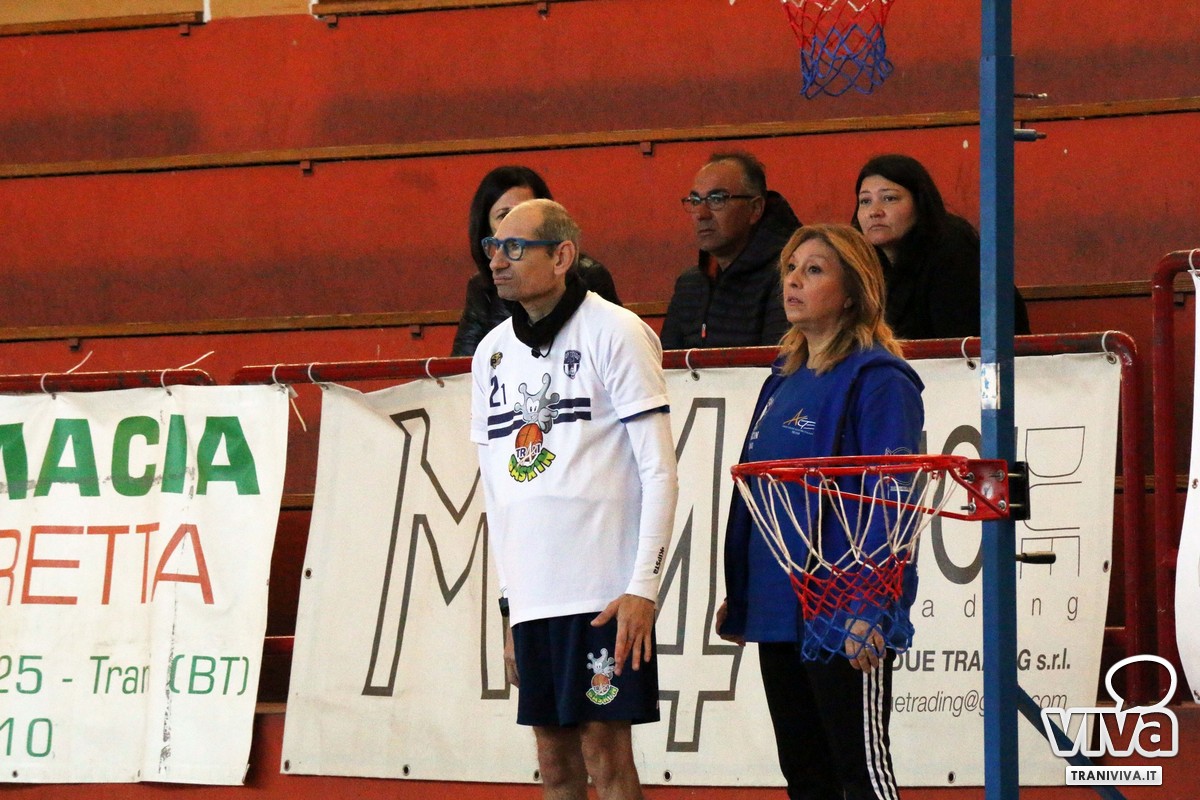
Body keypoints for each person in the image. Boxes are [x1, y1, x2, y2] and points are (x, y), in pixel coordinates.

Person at [470, 198, 678, 800]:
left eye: (515, 248)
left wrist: (643, 588)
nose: (497, 261)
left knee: (605, 756)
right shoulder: (491, 353)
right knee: (554, 764)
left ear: (562, 256)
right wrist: (509, 607)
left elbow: (660, 471)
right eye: (493, 247)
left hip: (604, 595)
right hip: (534, 597)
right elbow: (497, 493)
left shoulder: (618, 331)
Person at [717, 224, 924, 799]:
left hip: (843, 606)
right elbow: (755, 494)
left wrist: (869, 604)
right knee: (805, 777)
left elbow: (891, 498)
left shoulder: (878, 379)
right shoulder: (781, 380)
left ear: (854, 291)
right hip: (779, 604)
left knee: (862, 777)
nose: (794, 281)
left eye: (814, 270)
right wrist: (743, 592)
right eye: (790, 268)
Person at [852, 153, 1031, 339]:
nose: (874, 212)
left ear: (920, 202)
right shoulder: (859, 259)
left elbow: (962, 343)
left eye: (889, 198)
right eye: (865, 201)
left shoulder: (953, 249)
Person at [452, 165, 621, 357]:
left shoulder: (590, 276)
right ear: (487, 229)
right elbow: (462, 368)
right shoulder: (481, 288)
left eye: (524, 211)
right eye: (504, 215)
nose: (514, 222)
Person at [660, 151, 801, 349]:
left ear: (755, 209)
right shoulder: (689, 285)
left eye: (717, 199)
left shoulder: (787, 277)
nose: (701, 214)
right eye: (695, 201)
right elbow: (666, 363)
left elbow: (779, 363)